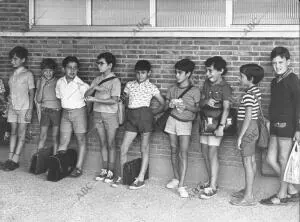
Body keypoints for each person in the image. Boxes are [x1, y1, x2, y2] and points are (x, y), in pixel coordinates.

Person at [111, 60, 165, 189]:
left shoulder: (152, 87)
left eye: (143, 73)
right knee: (123, 147)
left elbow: (163, 103)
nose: (140, 75)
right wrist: (121, 100)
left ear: (149, 73)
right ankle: (123, 176)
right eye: (138, 73)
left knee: (144, 148)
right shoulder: (130, 84)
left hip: (145, 117)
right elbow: (123, 99)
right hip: (132, 117)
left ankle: (140, 178)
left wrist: (152, 113)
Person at [260, 46, 300, 205]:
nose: (277, 66)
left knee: (283, 158)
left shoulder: (293, 79)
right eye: (274, 63)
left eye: (280, 62)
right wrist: (269, 121)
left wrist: (298, 128)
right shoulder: (274, 81)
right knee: (270, 159)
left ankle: (282, 194)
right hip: (275, 125)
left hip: (288, 125)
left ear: (288, 62)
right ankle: (291, 188)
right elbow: (274, 104)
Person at [197, 56, 232, 199]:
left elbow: (227, 108)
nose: (207, 74)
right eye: (206, 71)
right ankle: (210, 180)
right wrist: (206, 101)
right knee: (204, 151)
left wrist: (221, 127)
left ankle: (213, 186)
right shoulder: (206, 83)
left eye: (210, 71)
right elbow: (200, 102)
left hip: (217, 123)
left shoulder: (225, 87)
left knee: (212, 153)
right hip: (205, 122)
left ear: (221, 71)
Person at [164, 59, 201, 198]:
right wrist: (171, 105)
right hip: (172, 120)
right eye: (176, 72)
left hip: (185, 123)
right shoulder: (172, 89)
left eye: (180, 73)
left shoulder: (195, 90)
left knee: (183, 153)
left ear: (188, 74)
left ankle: (182, 185)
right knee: (174, 150)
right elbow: (166, 105)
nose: (177, 75)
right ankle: (176, 178)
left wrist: (186, 106)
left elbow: (198, 109)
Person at [230, 64, 264, 206]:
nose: (239, 79)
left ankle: (248, 197)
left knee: (247, 162)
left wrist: (240, 137)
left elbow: (248, 117)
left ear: (250, 78)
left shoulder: (249, 95)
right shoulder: (256, 91)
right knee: (251, 161)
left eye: (242, 76)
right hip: (254, 128)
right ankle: (247, 190)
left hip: (248, 129)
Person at [84, 52, 121, 183]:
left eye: (102, 63)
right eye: (98, 63)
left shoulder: (115, 81)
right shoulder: (97, 79)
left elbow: (114, 100)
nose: (99, 65)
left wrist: (96, 99)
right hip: (97, 114)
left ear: (110, 65)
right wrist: (94, 87)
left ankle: (111, 171)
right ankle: (104, 169)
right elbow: (86, 95)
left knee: (111, 143)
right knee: (102, 142)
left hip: (110, 115)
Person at [2, 46, 35, 171]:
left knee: (21, 134)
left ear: (23, 60)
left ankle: (15, 160)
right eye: (12, 59)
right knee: (13, 132)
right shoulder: (12, 75)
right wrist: (8, 105)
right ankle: (9, 159)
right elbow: (11, 93)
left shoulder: (28, 74)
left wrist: (30, 110)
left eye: (15, 59)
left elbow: (32, 93)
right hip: (13, 108)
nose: (12, 61)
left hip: (24, 108)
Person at [55, 56, 89, 177]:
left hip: (79, 112)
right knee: (63, 140)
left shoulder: (82, 85)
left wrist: (83, 114)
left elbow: (88, 101)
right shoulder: (59, 82)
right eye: (69, 67)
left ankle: (78, 167)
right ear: (64, 68)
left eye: (75, 68)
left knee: (81, 140)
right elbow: (59, 97)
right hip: (65, 113)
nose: (72, 70)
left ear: (78, 69)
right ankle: (58, 166)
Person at [35, 58, 61, 154]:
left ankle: (55, 157)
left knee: (55, 136)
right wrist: (42, 85)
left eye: (50, 71)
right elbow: (38, 99)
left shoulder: (58, 81)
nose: (48, 73)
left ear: (54, 71)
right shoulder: (39, 81)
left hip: (56, 111)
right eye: (45, 71)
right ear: (42, 71)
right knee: (42, 136)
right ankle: (38, 159)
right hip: (45, 111)